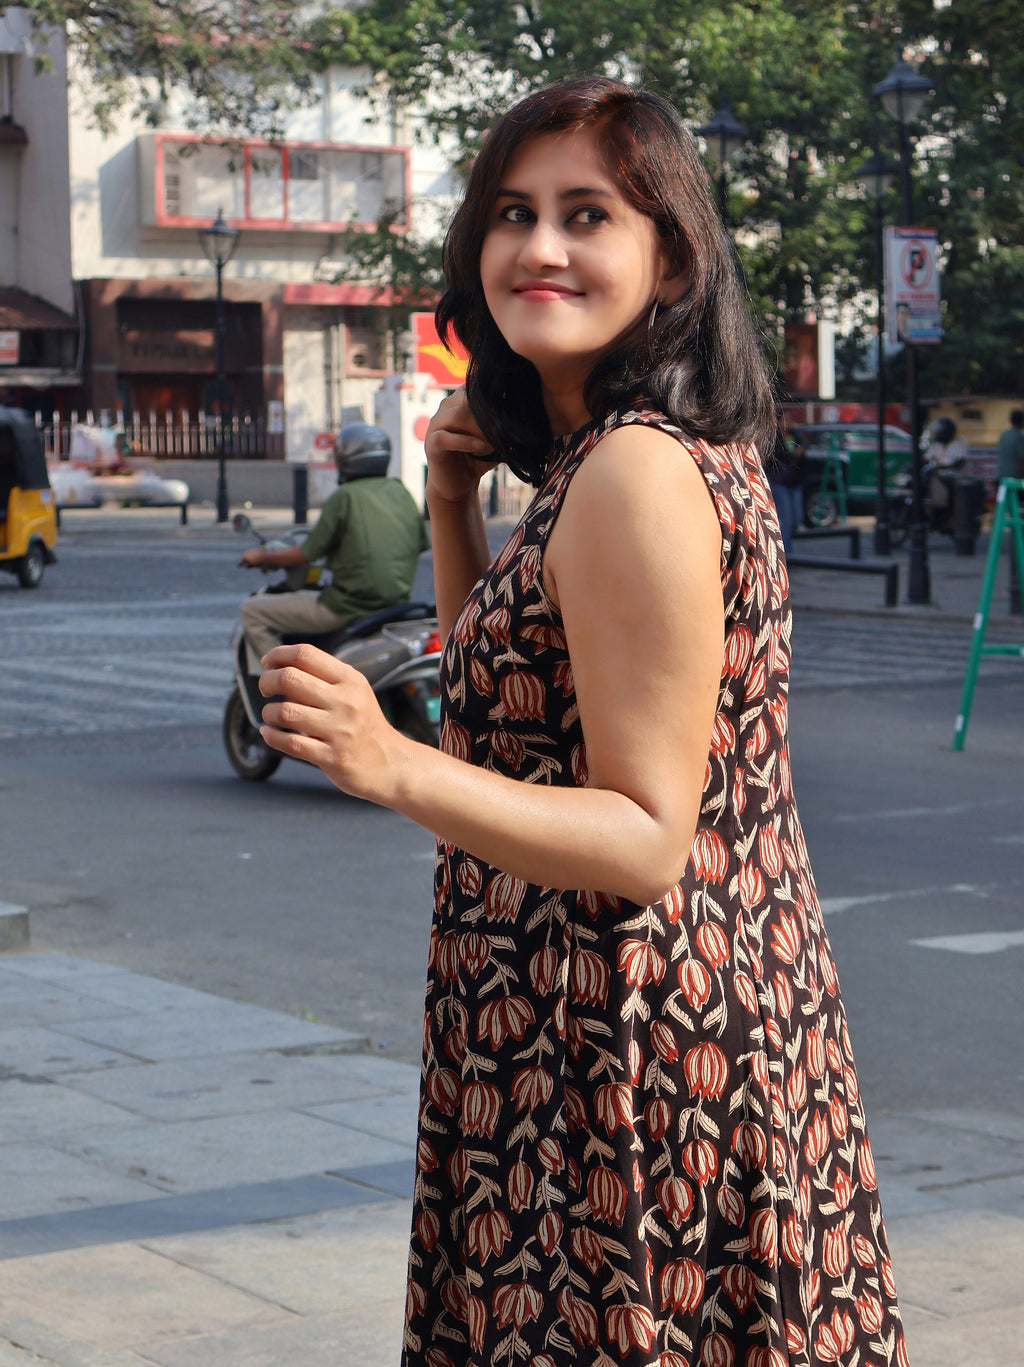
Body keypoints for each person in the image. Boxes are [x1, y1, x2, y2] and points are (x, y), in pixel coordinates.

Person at [256, 78, 909, 1366]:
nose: (538, 247)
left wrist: (387, 763)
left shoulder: (630, 471)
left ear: (668, 254)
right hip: (584, 1020)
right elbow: (514, 721)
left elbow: (643, 833)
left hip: (625, 1047)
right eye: (512, 212)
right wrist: (452, 506)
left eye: (587, 213)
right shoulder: (607, 459)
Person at [239, 422, 429, 671]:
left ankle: (284, 682)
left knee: (252, 610)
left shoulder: (345, 496)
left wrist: (261, 555)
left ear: (345, 461)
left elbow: (306, 553)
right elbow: (419, 545)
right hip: (395, 605)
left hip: (345, 607)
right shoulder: (400, 491)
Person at [767, 404, 805, 552]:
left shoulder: (797, 437)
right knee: (787, 520)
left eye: (791, 419)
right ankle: (787, 555)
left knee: (797, 519)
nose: (788, 423)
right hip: (780, 481)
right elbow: (774, 459)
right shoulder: (774, 438)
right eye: (785, 419)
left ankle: (787, 550)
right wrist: (793, 455)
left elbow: (803, 462)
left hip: (794, 482)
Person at [925, 415, 968, 517]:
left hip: (955, 478)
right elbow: (926, 457)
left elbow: (960, 461)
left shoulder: (959, 442)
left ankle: (947, 516)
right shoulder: (937, 444)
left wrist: (941, 467)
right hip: (938, 477)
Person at [996, 408, 1024, 483]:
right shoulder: (1019, 436)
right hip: (1014, 477)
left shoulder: (1003, 434)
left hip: (1001, 475)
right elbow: (1022, 458)